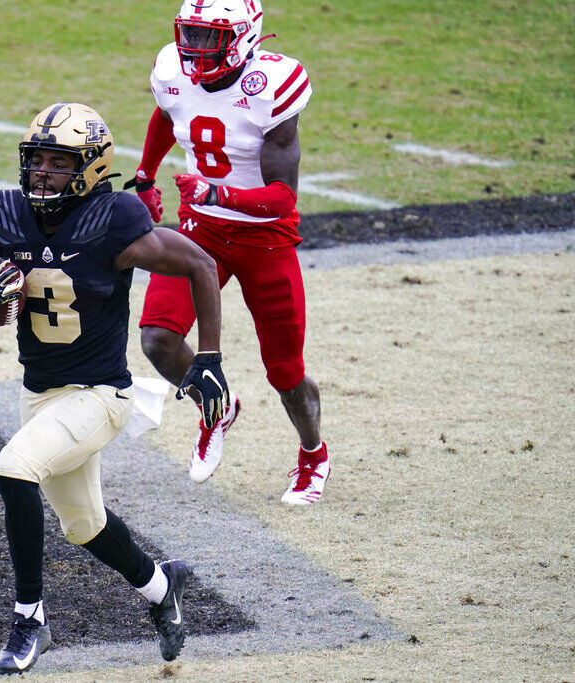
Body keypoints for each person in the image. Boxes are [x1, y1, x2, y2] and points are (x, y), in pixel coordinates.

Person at [0, 102, 229, 675]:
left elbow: (202, 265)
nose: (42, 174)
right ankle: (162, 588)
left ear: (89, 167)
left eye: (58, 163)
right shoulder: (4, 218)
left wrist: (208, 357)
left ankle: (29, 620)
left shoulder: (114, 220)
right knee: (84, 524)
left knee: (15, 468)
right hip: (41, 395)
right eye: (36, 161)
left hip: (100, 395)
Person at [125, 0, 329, 504]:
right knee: (157, 340)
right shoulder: (173, 69)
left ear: (243, 38)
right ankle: (216, 406)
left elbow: (283, 198)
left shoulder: (271, 88)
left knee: (285, 371)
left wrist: (220, 193)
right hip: (200, 233)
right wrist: (147, 175)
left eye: (208, 37)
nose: (193, 49)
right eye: (189, 34)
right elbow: (166, 112)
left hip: (265, 238)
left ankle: (312, 455)